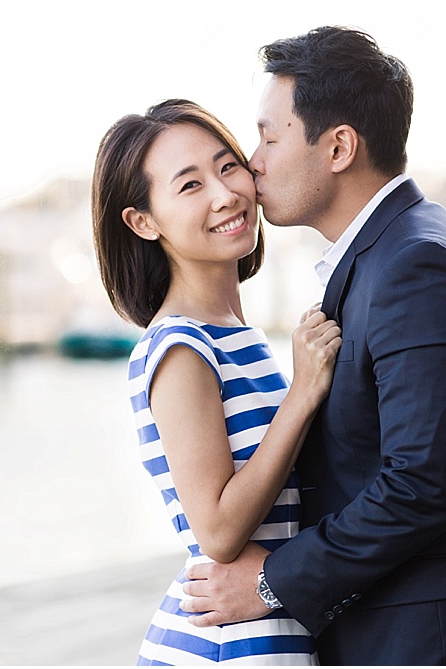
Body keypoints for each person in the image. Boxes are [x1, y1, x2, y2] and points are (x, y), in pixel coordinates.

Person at [180, 26, 446, 666]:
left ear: (339, 148)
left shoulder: (418, 267)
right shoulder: (399, 247)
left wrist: (272, 581)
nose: (253, 161)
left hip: (437, 644)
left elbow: (424, 484)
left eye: (270, 137)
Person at [91, 99, 342, 665]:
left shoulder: (232, 333)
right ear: (143, 221)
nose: (225, 194)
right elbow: (219, 531)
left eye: (227, 167)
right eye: (189, 185)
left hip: (266, 628)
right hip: (225, 646)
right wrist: (303, 394)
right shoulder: (180, 348)